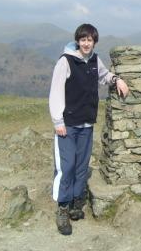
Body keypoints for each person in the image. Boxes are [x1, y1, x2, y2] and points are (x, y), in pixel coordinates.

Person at [49, 23, 129, 235]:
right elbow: (56, 92)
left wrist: (117, 79)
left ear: (94, 42)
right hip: (67, 124)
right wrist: (58, 122)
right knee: (66, 166)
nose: (86, 43)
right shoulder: (65, 61)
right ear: (78, 41)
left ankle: (77, 203)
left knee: (82, 166)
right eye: (83, 40)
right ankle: (63, 208)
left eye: (90, 40)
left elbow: (103, 75)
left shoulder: (94, 59)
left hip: (86, 123)